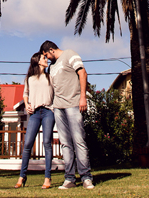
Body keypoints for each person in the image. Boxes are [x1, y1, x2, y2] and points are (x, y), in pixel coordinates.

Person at [40, 40, 94, 190]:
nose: (47, 58)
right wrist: (43, 66)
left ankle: (86, 177)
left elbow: (82, 72)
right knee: (65, 144)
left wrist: (82, 97)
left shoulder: (70, 54)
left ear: (51, 50)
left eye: (46, 55)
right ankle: (69, 178)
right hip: (58, 107)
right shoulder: (51, 68)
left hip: (73, 104)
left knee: (79, 141)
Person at [15, 52, 55, 189]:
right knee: (27, 144)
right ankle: (22, 176)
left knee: (47, 144)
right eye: (44, 58)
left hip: (48, 112)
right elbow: (25, 94)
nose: (46, 59)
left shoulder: (51, 77)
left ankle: (47, 178)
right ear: (38, 61)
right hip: (35, 113)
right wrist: (26, 105)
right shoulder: (30, 79)